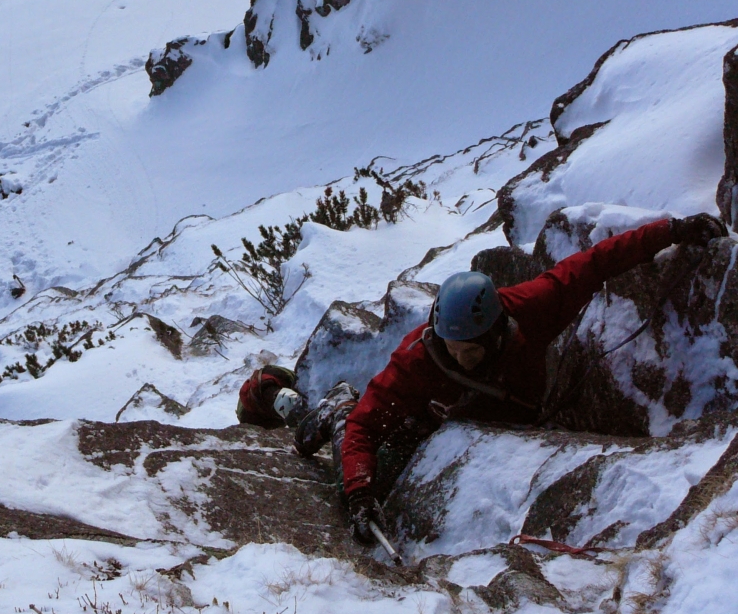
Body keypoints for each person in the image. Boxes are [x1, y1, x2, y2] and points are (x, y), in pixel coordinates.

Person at [235, 213, 728, 545]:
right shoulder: (420, 358)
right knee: (363, 465)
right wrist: (360, 493)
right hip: (424, 424)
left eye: (470, 351)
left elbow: (592, 264)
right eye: (452, 349)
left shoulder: (529, 309)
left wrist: (671, 231)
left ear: (495, 332)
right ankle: (333, 409)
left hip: (501, 417)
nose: (460, 358)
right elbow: (368, 425)